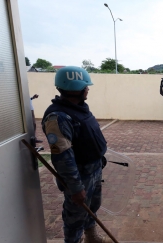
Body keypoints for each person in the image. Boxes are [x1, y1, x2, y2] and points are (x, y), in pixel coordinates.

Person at [42, 66, 112, 243]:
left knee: (92, 207)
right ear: (75, 89)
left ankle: (91, 237)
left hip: (94, 169)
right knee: (75, 216)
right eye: (85, 86)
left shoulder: (80, 109)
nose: (88, 88)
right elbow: (62, 157)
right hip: (79, 175)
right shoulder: (58, 117)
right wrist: (75, 187)